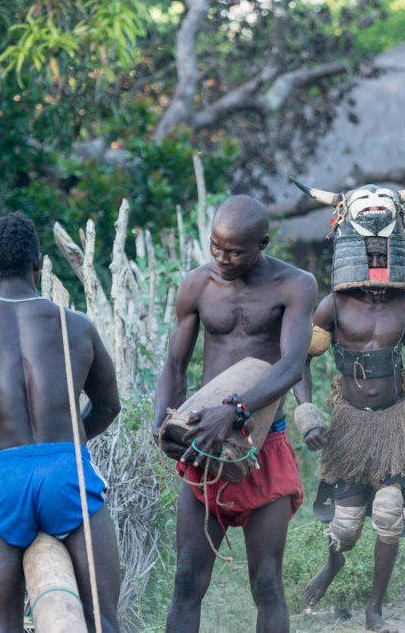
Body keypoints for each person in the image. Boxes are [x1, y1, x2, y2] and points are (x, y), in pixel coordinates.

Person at [0, 212, 122, 631]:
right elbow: (109, 407)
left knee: (1, 626)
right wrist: (67, 436)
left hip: (8, 479)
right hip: (68, 471)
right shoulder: (77, 327)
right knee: (103, 622)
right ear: (38, 262)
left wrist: (5, 432)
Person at [154, 195, 316, 633]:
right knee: (188, 580)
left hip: (263, 443)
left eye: (236, 251)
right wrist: (161, 426)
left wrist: (237, 410)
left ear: (262, 242)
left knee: (266, 584)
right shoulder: (197, 286)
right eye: (216, 247)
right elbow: (174, 365)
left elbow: (290, 364)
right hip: (203, 442)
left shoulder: (294, 284)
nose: (223, 259)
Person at [290, 175, 405, 632]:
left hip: (395, 420)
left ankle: (375, 609)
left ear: (394, 250)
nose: (377, 261)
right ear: (355, 248)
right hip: (350, 422)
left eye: (384, 252)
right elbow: (300, 362)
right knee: (348, 526)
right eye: (370, 253)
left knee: (388, 515)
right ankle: (332, 566)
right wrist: (307, 410)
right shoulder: (332, 306)